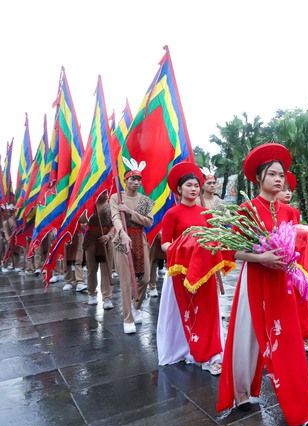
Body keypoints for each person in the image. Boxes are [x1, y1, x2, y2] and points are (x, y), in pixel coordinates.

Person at [216, 143, 308, 426]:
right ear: (259, 178)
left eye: (282, 175)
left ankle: (300, 409)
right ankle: (241, 394)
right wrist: (260, 257)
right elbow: (229, 250)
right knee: (246, 339)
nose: (279, 179)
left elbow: (295, 247)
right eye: (273, 174)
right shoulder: (246, 210)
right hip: (255, 280)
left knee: (286, 342)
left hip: (281, 283)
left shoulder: (290, 212)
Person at [157, 162, 224, 375]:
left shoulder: (206, 213)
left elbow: (214, 240)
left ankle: (210, 355)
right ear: (179, 189)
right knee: (184, 313)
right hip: (180, 271)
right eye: (189, 185)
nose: (194, 189)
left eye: (196, 185)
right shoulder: (172, 214)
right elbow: (165, 243)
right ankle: (186, 349)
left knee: (208, 311)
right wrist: (182, 251)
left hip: (204, 272)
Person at [277, 171, 308, 350]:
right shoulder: (268, 209)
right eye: (284, 190)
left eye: (289, 190)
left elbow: (297, 237)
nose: (287, 193)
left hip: (292, 264)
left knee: (302, 298)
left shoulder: (292, 211)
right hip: (274, 262)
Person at [110, 158, 154, 334]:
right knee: (126, 281)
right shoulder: (116, 197)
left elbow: (149, 222)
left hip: (140, 239)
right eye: (132, 179)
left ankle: (137, 305)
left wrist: (130, 212)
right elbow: (115, 217)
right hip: (122, 240)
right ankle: (127, 318)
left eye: (139, 179)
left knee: (145, 278)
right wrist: (122, 233)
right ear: (125, 180)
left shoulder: (145, 200)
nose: (136, 182)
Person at [84, 191, 115, 309]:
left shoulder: (111, 205)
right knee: (92, 269)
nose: (106, 194)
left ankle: (107, 297)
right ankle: (91, 293)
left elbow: (115, 224)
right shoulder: (88, 204)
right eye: (103, 192)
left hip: (107, 240)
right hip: (91, 239)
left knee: (107, 269)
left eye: (107, 192)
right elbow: (81, 220)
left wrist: (109, 236)